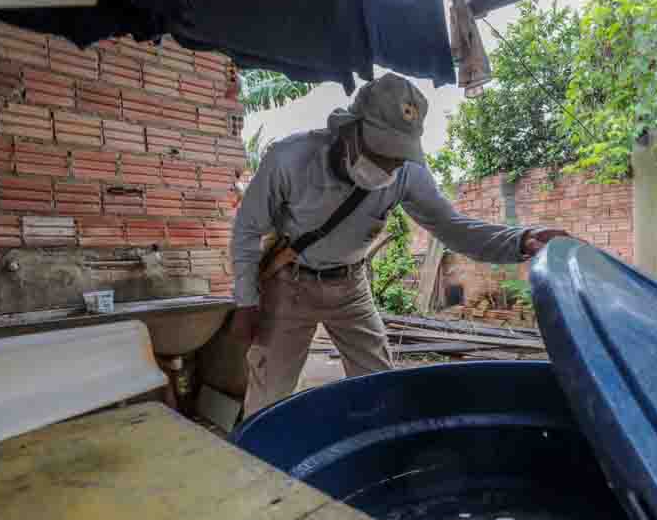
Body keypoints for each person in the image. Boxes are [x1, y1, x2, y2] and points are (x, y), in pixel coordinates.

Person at [230, 73, 567, 415]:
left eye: (398, 155)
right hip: (290, 285)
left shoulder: (406, 173)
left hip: (351, 289)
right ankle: (255, 463)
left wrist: (522, 240)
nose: (389, 166)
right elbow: (246, 231)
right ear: (352, 129)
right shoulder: (289, 159)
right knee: (269, 395)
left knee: (379, 387)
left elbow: (453, 227)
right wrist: (246, 302)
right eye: (382, 152)